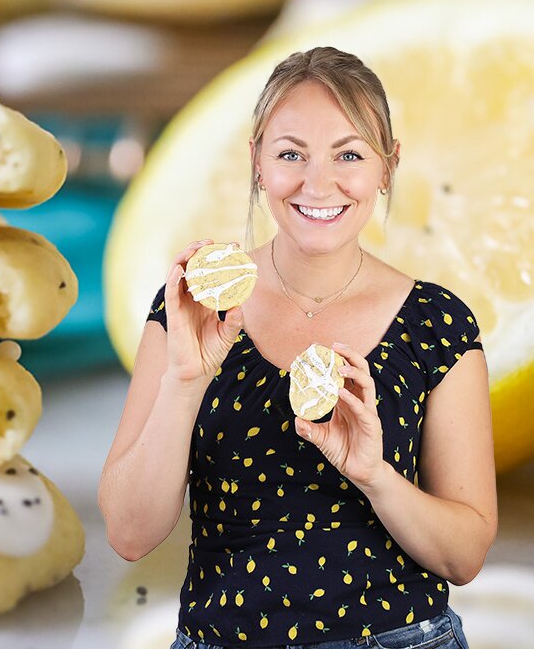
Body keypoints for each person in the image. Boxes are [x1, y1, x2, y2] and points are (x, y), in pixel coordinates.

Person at [99, 47, 496, 648]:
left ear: (387, 167)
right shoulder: (193, 310)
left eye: (350, 155)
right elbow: (129, 535)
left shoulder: (437, 324)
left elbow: (464, 557)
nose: (319, 184)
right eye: (291, 154)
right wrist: (185, 382)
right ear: (257, 161)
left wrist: (375, 476)